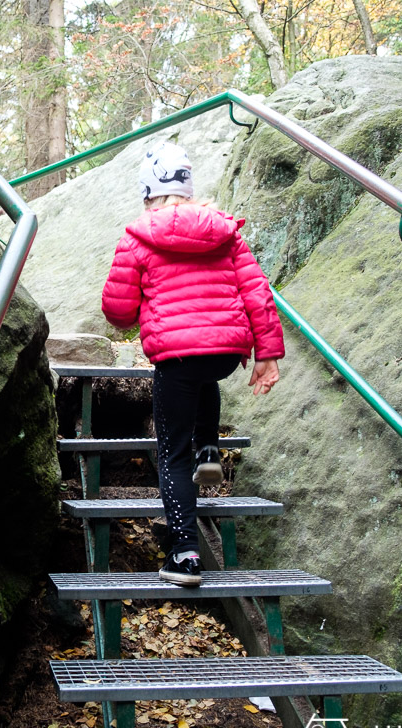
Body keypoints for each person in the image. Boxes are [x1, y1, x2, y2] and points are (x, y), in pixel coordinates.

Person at [101, 141, 285, 587]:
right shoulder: (225, 231)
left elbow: (118, 311)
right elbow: (257, 292)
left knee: (171, 454)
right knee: (206, 372)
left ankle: (184, 554)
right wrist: (268, 356)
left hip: (177, 357)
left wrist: (146, 300)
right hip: (225, 353)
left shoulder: (138, 237)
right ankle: (209, 446)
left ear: (148, 194)